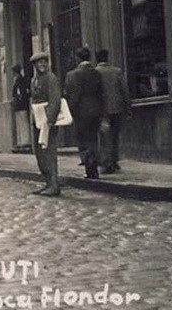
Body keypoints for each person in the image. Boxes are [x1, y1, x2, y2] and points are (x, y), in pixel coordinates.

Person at [64, 46, 105, 179]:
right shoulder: (96, 73)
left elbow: (73, 96)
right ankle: (94, 168)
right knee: (93, 139)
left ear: (77, 59)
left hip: (81, 112)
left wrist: (70, 112)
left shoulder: (73, 75)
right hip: (96, 111)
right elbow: (102, 94)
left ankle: (90, 169)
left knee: (83, 141)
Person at [29, 51, 62, 197]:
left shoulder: (51, 78)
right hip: (38, 121)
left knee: (48, 153)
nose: (41, 65)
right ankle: (48, 183)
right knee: (40, 154)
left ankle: (54, 185)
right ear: (35, 65)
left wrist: (50, 121)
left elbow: (55, 100)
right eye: (38, 63)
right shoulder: (34, 80)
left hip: (47, 122)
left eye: (44, 62)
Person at [96, 49, 130, 174]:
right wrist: (127, 107)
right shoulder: (117, 71)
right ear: (107, 58)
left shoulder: (95, 72)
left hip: (102, 110)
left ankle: (107, 162)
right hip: (117, 108)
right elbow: (124, 90)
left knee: (104, 137)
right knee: (115, 136)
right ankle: (114, 160)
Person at [10, 63, 31, 150]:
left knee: (23, 122)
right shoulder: (19, 79)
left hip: (21, 105)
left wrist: (17, 99)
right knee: (20, 123)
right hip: (19, 105)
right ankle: (22, 141)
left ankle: (25, 142)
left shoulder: (19, 80)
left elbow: (19, 92)